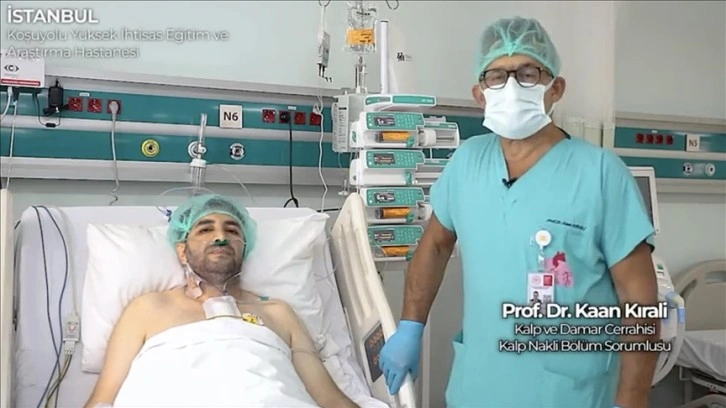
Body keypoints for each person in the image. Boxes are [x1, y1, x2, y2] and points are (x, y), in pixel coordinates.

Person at [378, 16, 660, 408]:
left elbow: (640, 302)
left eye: (528, 74)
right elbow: (436, 245)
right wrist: (411, 325)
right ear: (480, 94)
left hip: (571, 394)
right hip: (480, 387)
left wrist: (632, 400)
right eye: (497, 76)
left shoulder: (600, 174)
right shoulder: (467, 162)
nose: (511, 87)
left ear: (555, 88)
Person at [85, 194, 359, 408]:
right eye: (205, 230)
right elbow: (103, 398)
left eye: (233, 231)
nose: (220, 237)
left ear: (245, 248)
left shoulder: (278, 312)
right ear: (182, 251)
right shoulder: (148, 308)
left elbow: (329, 398)